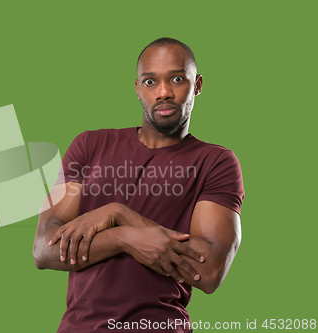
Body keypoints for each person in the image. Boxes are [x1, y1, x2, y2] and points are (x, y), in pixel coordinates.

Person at [33, 37, 244, 333]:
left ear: (197, 85)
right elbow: (44, 249)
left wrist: (122, 214)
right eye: (150, 81)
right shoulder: (89, 145)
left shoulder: (216, 162)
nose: (163, 92)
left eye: (177, 79)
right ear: (137, 89)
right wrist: (123, 238)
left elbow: (209, 271)